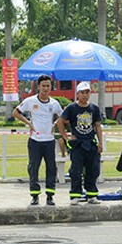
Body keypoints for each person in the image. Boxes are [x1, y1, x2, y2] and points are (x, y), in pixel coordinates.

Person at [13, 75, 64, 206]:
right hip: (35, 140)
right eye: (43, 86)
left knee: (51, 168)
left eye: (48, 86)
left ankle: (50, 195)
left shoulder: (54, 103)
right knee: (33, 167)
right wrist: (28, 123)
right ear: (38, 87)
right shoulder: (30, 101)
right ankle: (35, 195)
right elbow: (16, 112)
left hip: (49, 140)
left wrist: (55, 124)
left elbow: (63, 116)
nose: (46, 88)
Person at [57, 81, 104, 205]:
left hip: (90, 143)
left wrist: (100, 143)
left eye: (87, 92)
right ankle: (75, 195)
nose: (84, 95)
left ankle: (92, 194)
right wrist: (65, 136)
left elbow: (98, 126)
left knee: (93, 170)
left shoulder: (94, 109)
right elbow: (60, 122)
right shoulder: (72, 108)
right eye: (82, 93)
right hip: (77, 144)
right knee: (76, 170)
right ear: (77, 94)